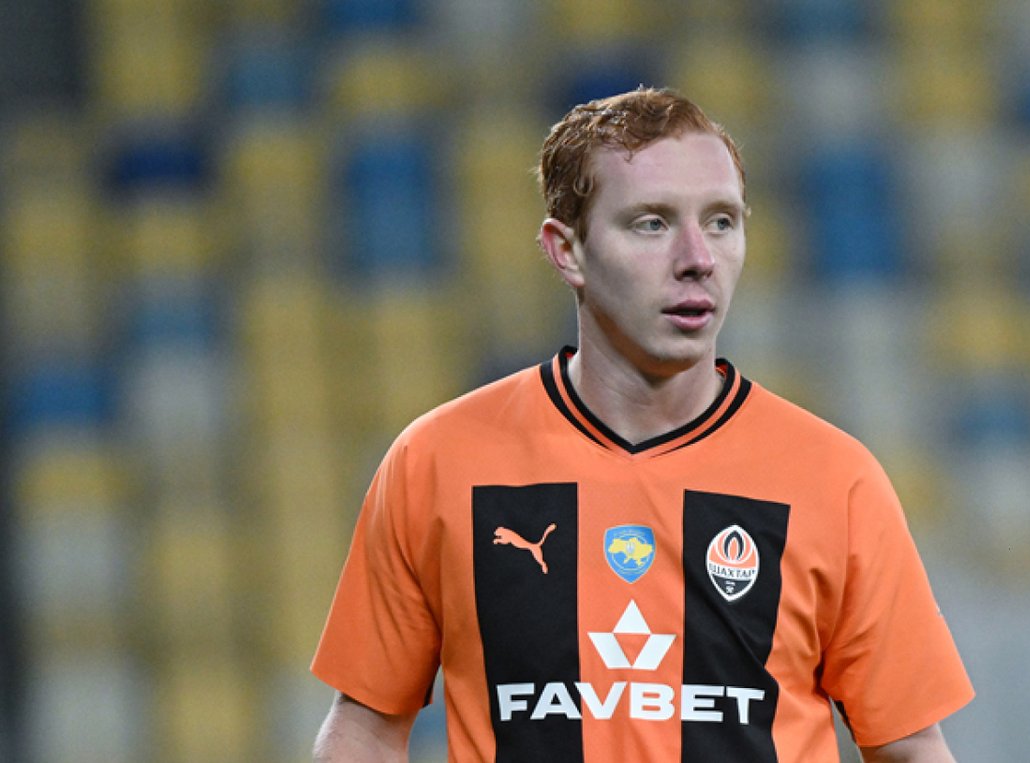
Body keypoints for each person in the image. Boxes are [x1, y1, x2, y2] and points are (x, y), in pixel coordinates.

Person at [311, 87, 973, 762]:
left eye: (721, 221)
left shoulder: (834, 478)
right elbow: (366, 727)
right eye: (652, 223)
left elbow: (910, 748)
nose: (697, 257)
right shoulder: (438, 461)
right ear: (567, 251)